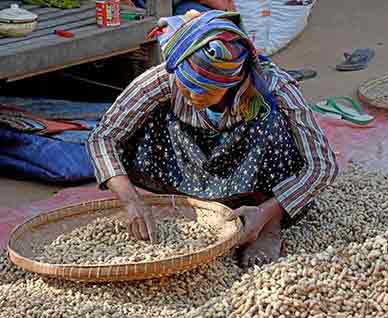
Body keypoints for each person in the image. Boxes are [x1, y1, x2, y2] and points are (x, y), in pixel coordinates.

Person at [87, 10, 337, 267]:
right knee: (147, 120)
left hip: (249, 177)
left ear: (230, 83)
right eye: (187, 85)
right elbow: (104, 136)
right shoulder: (166, 76)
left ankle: (268, 228)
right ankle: (192, 207)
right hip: (188, 169)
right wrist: (131, 200)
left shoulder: (274, 87)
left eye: (205, 90)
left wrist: (266, 212)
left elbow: (323, 165)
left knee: (271, 119)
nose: (193, 95)